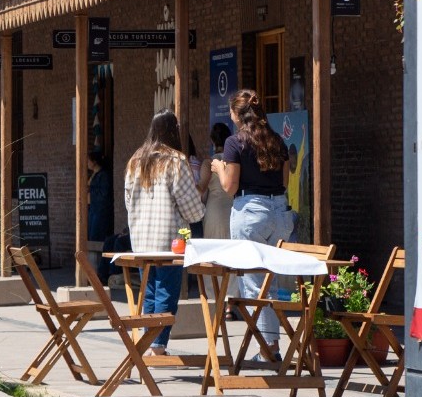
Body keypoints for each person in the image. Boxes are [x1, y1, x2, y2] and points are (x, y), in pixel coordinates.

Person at [217, 89, 297, 366]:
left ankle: (268, 349)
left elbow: (230, 186)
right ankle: (271, 345)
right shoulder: (277, 141)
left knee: (253, 284)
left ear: (236, 114)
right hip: (279, 212)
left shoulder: (234, 142)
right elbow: (285, 183)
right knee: (270, 283)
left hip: (250, 212)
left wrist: (218, 169)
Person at [122, 111, 205, 356]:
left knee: (147, 291)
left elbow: (128, 201)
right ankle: (158, 345)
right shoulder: (176, 160)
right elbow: (190, 204)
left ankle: (148, 343)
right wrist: (198, 214)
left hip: (140, 240)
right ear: (173, 131)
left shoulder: (135, 160)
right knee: (166, 291)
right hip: (171, 240)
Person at [202, 122, 233, 239]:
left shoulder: (208, 163)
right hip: (233, 210)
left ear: (212, 141)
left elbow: (203, 194)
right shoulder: (234, 163)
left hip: (213, 212)